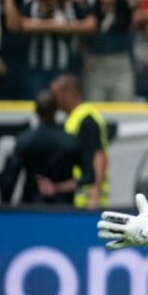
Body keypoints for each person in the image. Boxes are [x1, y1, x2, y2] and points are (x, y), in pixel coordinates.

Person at [1, 89, 81, 204]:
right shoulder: (70, 141)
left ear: (36, 110)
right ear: (56, 109)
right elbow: (88, 177)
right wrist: (57, 187)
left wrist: (5, 207)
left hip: (31, 205)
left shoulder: (26, 140)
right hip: (63, 208)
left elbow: (10, 178)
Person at [46, 74, 109, 209]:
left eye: (56, 95)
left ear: (68, 92)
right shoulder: (73, 119)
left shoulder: (86, 120)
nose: (54, 100)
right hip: (76, 199)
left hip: (86, 202)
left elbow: (97, 155)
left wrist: (95, 193)